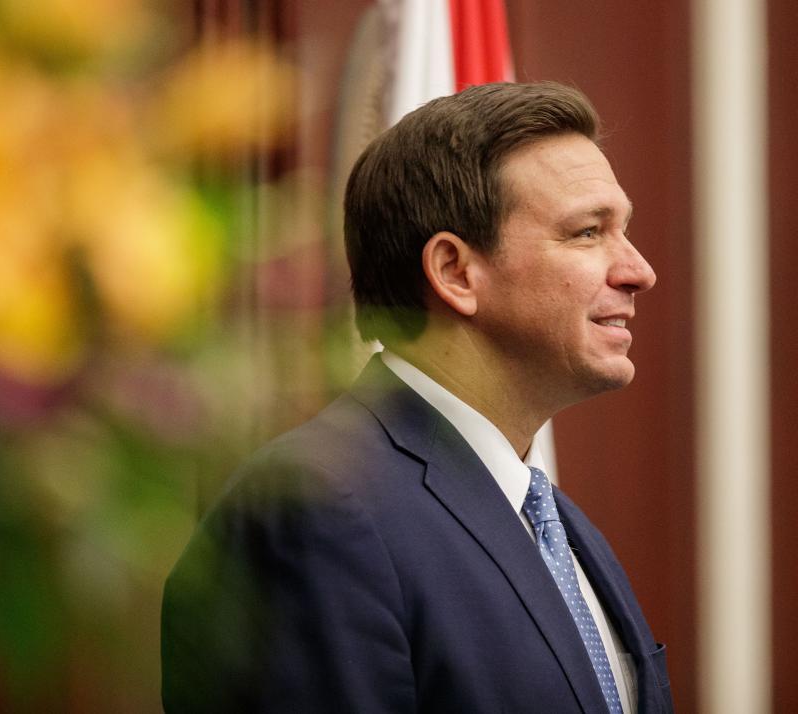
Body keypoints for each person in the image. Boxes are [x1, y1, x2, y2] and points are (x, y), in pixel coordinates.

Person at [161, 81, 674, 713]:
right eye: (588, 232)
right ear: (456, 272)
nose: (638, 270)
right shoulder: (316, 510)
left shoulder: (559, 526)